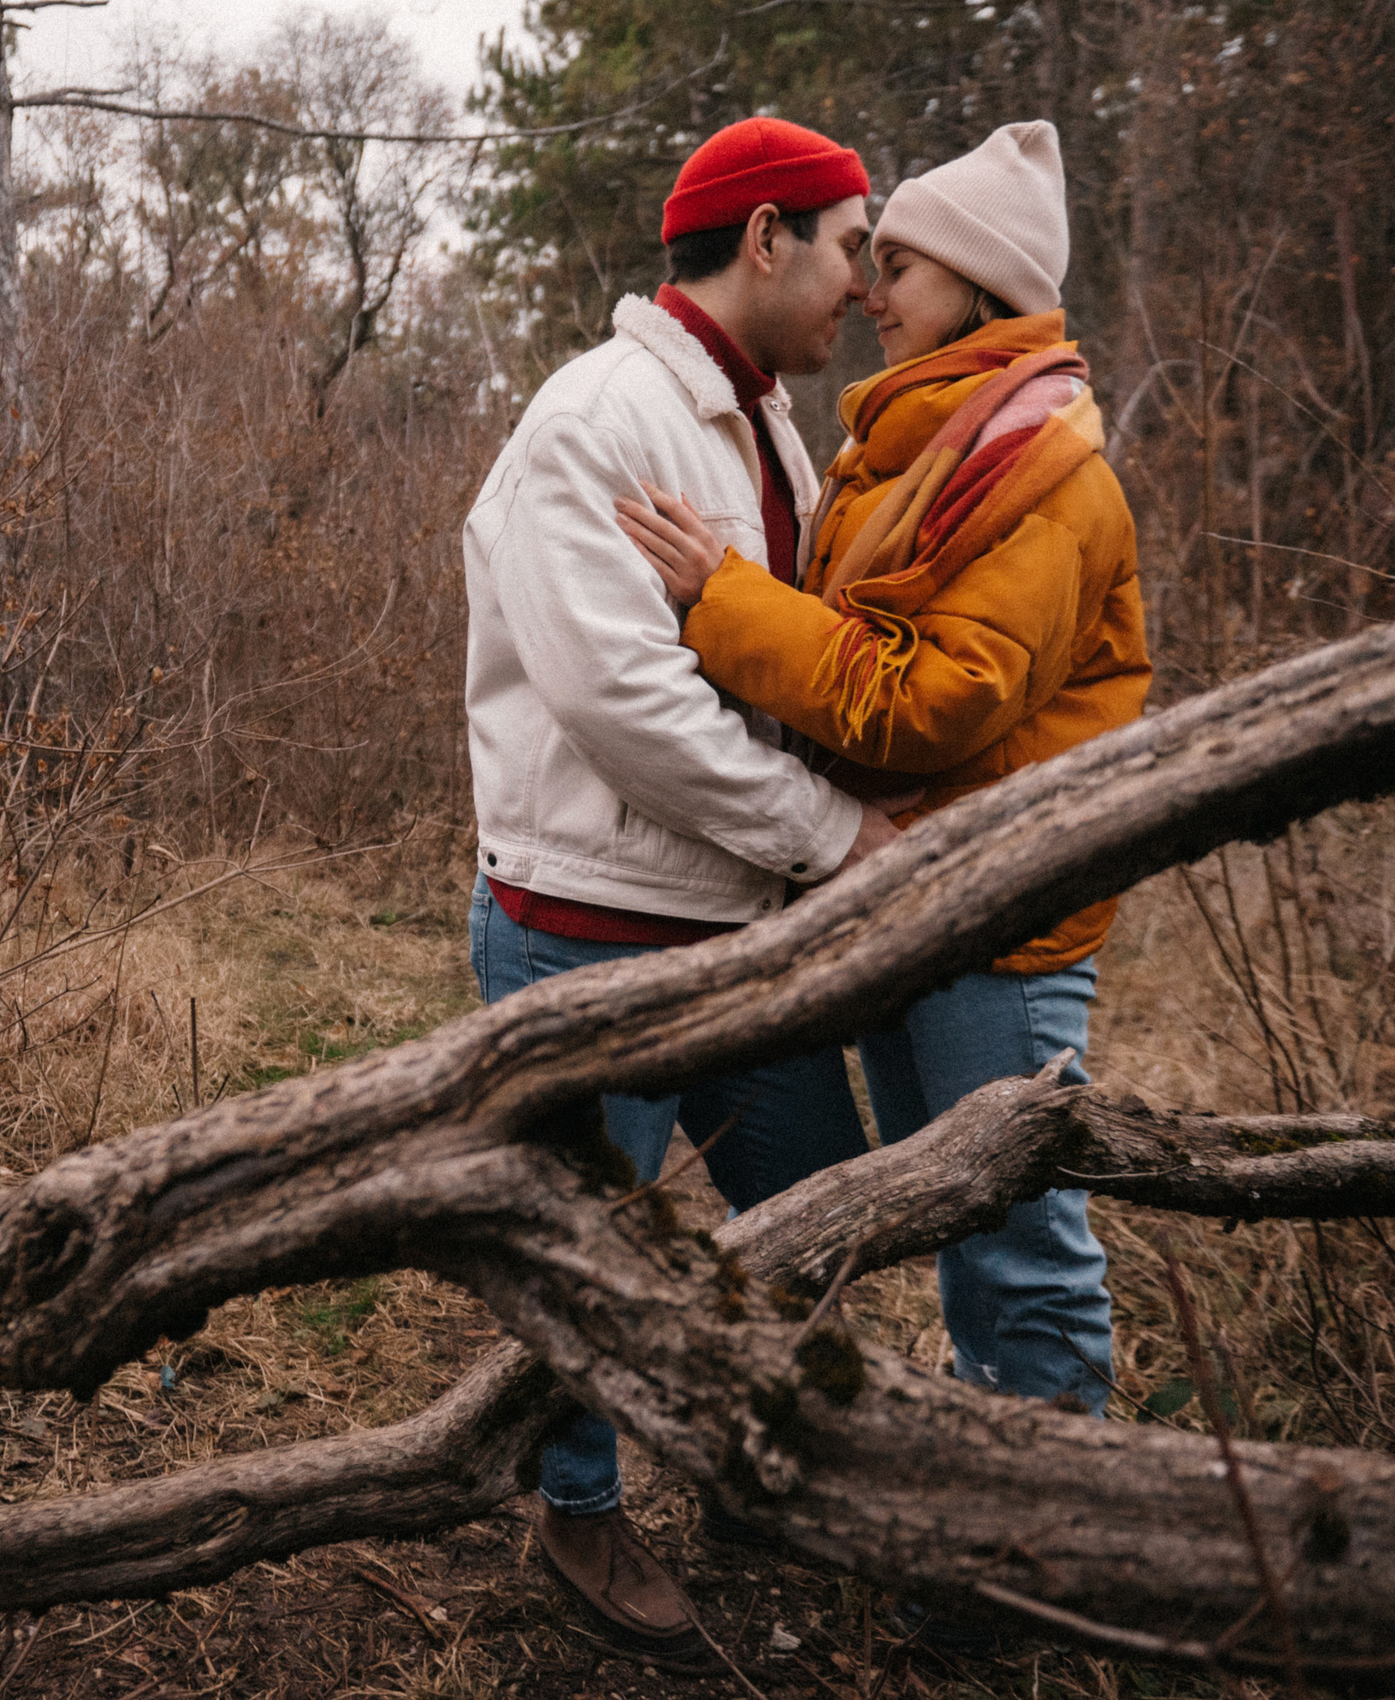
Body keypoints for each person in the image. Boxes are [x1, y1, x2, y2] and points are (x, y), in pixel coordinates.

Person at [618, 122, 1153, 1454]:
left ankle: (1043, 1546)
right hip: (919, 897)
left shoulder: (1043, 466)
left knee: (1017, 1241)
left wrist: (721, 601)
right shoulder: (908, 446)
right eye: (873, 258)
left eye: (897, 265)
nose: (869, 291)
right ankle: (981, 1523)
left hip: (1005, 922)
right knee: (952, 1221)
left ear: (981, 288)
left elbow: (932, 696)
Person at [460, 116, 914, 1670]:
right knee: (596, 1250)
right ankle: (575, 1505)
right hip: (589, 927)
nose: (867, 278)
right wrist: (839, 834)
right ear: (768, 236)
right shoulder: (591, 422)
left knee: (815, 1216)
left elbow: (771, 647)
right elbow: (625, 709)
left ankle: (757, 1468)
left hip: (742, 929)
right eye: (854, 243)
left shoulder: (758, 421)